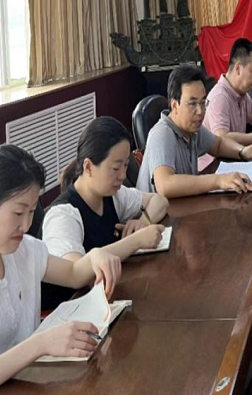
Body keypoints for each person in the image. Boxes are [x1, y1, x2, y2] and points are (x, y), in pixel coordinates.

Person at [0, 139, 121, 395]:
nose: (26, 225)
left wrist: (95, 256)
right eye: (18, 213)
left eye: (32, 211)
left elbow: (73, 273)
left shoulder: (22, 250)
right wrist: (39, 344)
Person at [41, 117, 168, 308]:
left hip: (108, 301)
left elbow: (159, 201)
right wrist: (137, 240)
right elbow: (78, 273)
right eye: (115, 168)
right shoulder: (63, 215)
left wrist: (143, 222)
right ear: (88, 167)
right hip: (71, 310)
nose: (123, 176)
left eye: (126, 166)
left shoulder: (112, 194)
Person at [136, 64, 252, 199]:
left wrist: (242, 151)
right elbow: (165, 185)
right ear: (175, 105)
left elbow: (218, 145)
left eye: (203, 102)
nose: (200, 111)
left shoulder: (192, 129)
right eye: (192, 104)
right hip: (157, 212)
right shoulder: (162, 134)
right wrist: (218, 180)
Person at [198, 39, 252, 170]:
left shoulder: (241, 93)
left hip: (234, 159)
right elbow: (222, 137)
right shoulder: (219, 97)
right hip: (214, 167)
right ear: (238, 68)